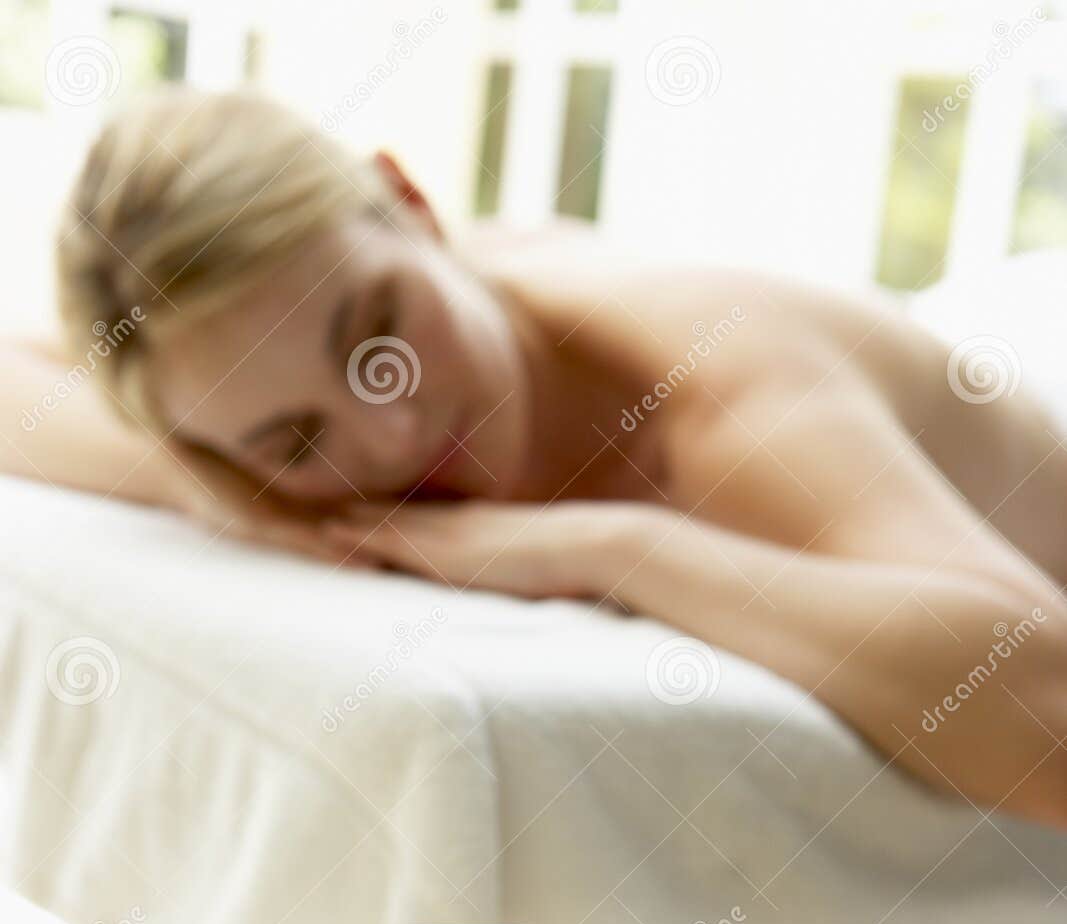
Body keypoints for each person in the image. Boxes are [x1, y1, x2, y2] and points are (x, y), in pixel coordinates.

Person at [4, 88, 1066, 825]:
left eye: (378, 330)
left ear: (411, 204)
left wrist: (616, 551)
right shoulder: (224, 376)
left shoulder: (705, 382)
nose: (391, 433)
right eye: (296, 437)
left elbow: (1045, 721)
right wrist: (227, 493)